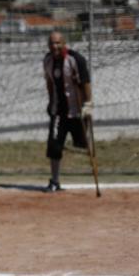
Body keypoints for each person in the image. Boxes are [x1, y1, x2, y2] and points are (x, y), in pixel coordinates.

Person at [43, 31, 93, 192]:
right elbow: (49, 82)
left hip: (76, 110)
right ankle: (54, 181)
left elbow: (85, 82)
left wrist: (88, 104)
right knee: (54, 145)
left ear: (64, 43)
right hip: (59, 111)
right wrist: (51, 101)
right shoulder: (47, 61)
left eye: (57, 43)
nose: (54, 46)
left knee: (82, 143)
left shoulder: (75, 59)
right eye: (51, 43)